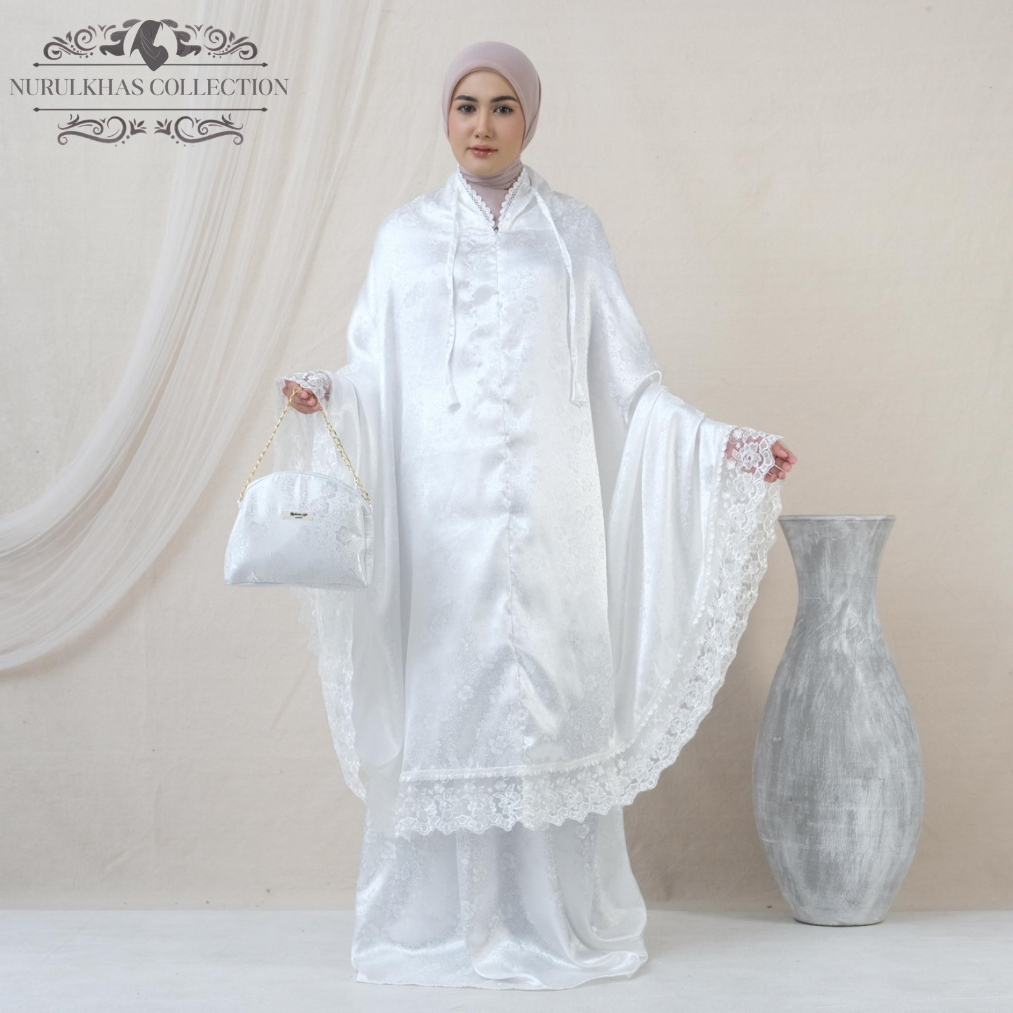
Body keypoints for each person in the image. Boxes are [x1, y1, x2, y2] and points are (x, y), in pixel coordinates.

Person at [274, 40, 796, 990]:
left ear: (530, 117)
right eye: (465, 105)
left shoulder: (574, 235)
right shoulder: (403, 239)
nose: (482, 125)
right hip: (440, 529)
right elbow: (374, 374)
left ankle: (552, 921)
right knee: (449, 705)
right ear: (445, 117)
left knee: (548, 712)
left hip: (553, 529)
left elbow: (631, 385)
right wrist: (328, 393)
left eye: (502, 106)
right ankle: (441, 926)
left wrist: (723, 447)